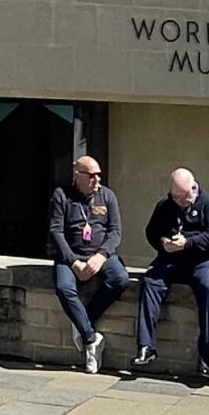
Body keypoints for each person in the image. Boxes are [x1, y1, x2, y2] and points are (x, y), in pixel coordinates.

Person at [129, 167, 209, 375]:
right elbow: (151, 231)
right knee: (150, 281)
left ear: (193, 188)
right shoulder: (166, 205)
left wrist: (188, 243)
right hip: (172, 259)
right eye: (176, 198)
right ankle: (146, 346)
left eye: (183, 198)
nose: (180, 202)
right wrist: (162, 242)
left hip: (202, 261)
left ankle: (205, 355)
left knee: (208, 288)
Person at [46, 152, 126, 372]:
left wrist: (101, 256)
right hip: (70, 256)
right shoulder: (62, 195)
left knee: (120, 278)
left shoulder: (107, 196)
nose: (97, 180)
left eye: (98, 175)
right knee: (64, 288)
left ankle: (83, 322)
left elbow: (115, 232)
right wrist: (73, 261)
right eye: (91, 175)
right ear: (77, 175)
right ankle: (90, 339)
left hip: (100, 254)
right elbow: (56, 231)